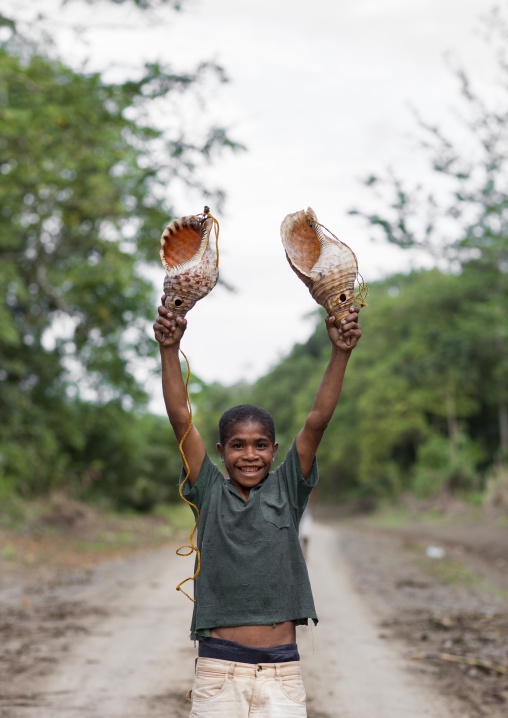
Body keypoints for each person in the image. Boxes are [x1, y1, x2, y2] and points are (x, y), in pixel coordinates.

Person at [153, 297, 361, 717]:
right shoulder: (208, 489)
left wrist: (341, 351)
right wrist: (168, 349)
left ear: (275, 449)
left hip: (281, 673)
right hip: (217, 669)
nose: (250, 455)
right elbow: (180, 417)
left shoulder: (288, 487)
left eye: (261, 445)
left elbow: (318, 419)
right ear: (220, 451)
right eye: (238, 446)